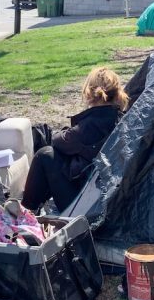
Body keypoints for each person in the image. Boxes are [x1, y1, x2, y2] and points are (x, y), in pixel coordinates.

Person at [21, 67, 129, 214]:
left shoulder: (91, 124)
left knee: (45, 155)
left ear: (90, 92)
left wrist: (66, 131)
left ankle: (26, 210)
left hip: (85, 207)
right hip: (107, 200)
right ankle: (33, 206)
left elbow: (58, 141)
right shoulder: (120, 118)